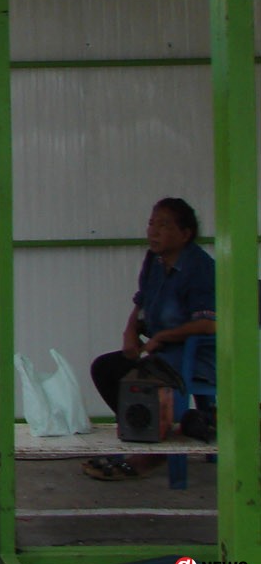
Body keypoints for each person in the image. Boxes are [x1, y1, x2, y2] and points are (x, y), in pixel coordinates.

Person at [83, 197, 216, 481]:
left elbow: (208, 324)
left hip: (198, 355)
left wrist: (165, 336)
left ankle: (152, 454)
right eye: (151, 223)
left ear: (185, 234)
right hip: (162, 351)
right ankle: (140, 431)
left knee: (146, 376)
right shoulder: (153, 260)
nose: (153, 231)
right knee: (106, 368)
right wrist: (130, 332)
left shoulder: (200, 267)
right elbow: (141, 303)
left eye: (164, 225)